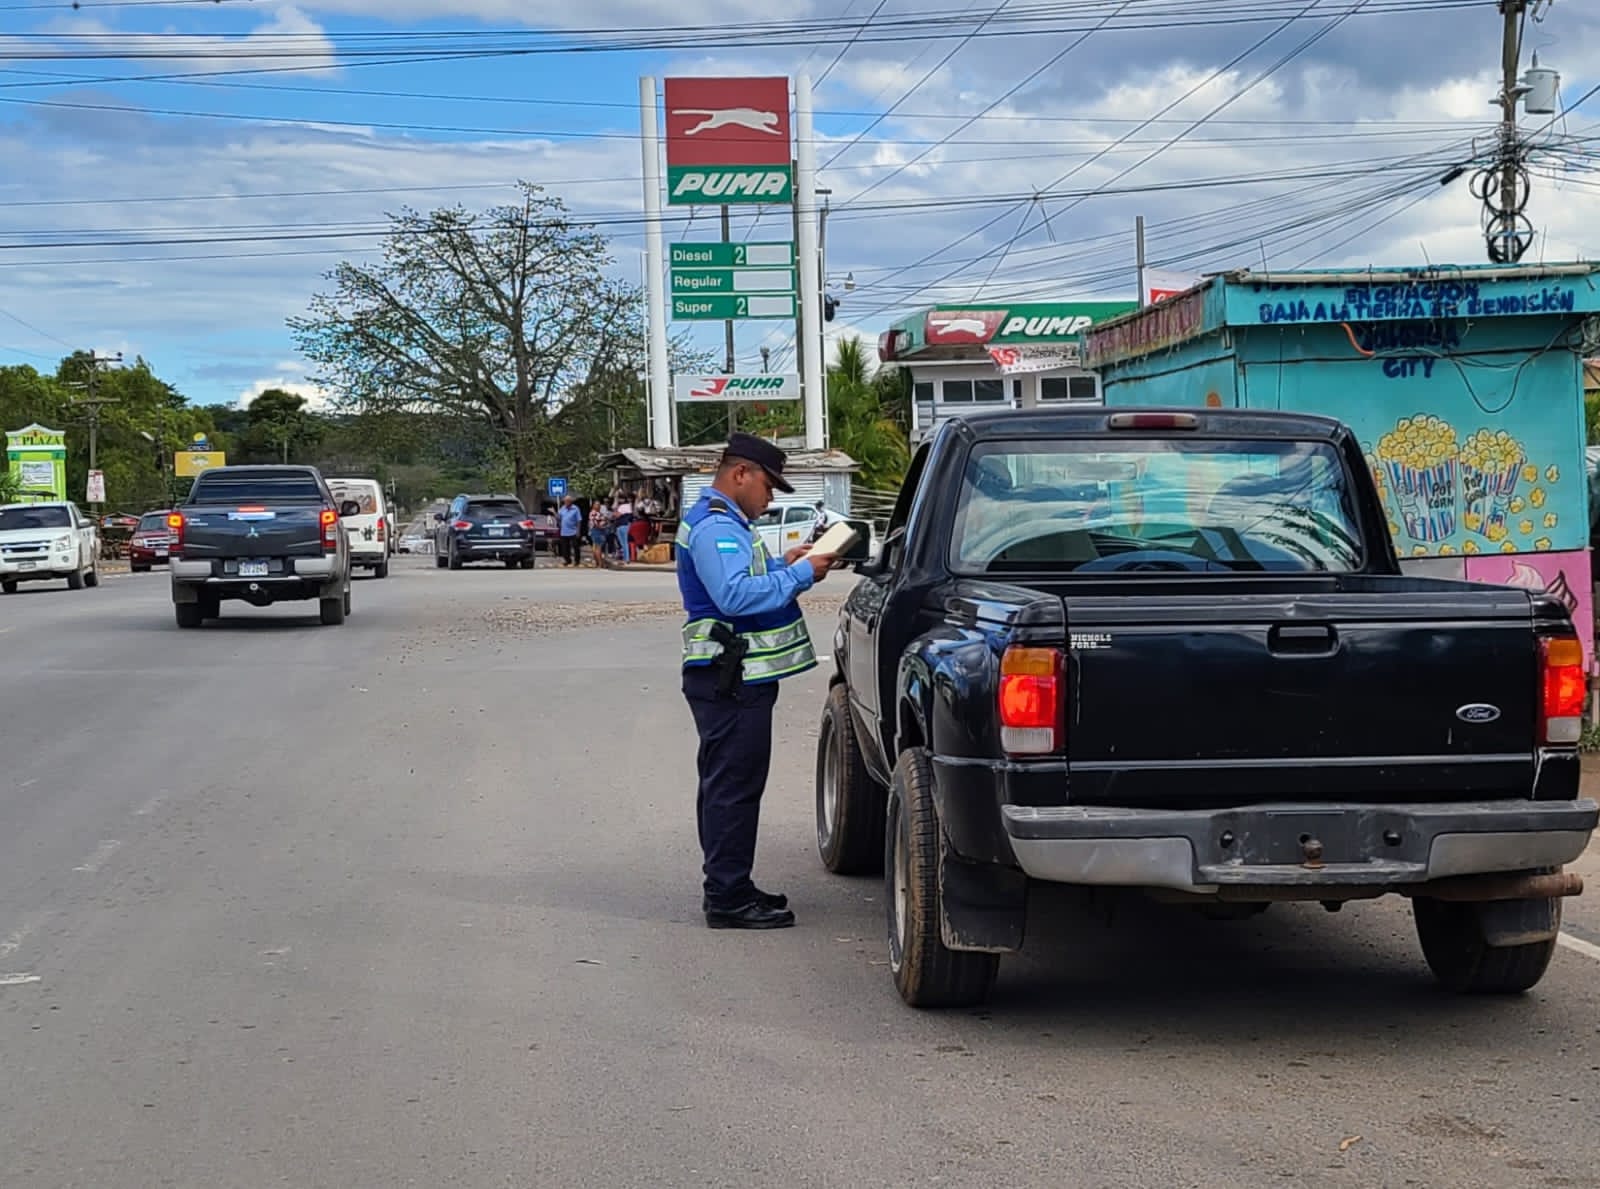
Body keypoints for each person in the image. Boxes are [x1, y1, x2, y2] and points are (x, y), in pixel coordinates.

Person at [678, 432, 838, 930]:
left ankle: (731, 884)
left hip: (730, 677)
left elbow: (743, 577)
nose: (770, 498)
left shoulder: (727, 524)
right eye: (769, 486)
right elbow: (734, 597)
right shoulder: (715, 527)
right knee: (734, 789)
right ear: (740, 474)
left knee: (727, 785)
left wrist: (783, 564)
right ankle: (727, 897)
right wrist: (801, 576)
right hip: (730, 678)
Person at [557, 494, 583, 567]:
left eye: (568, 501)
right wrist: (554, 513)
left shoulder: (576, 509)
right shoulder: (562, 508)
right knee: (565, 548)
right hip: (564, 531)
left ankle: (577, 561)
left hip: (573, 531)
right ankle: (567, 560)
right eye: (565, 501)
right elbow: (559, 518)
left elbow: (579, 520)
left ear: (571, 502)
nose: (566, 503)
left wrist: (578, 531)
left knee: (576, 546)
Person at [588, 498, 613, 568]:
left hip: (599, 530)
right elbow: (595, 523)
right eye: (596, 505)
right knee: (598, 548)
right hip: (597, 531)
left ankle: (598, 563)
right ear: (593, 506)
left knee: (597, 547)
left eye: (599, 505)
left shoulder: (599, 513)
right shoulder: (594, 513)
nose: (598, 506)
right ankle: (600, 563)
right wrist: (602, 526)